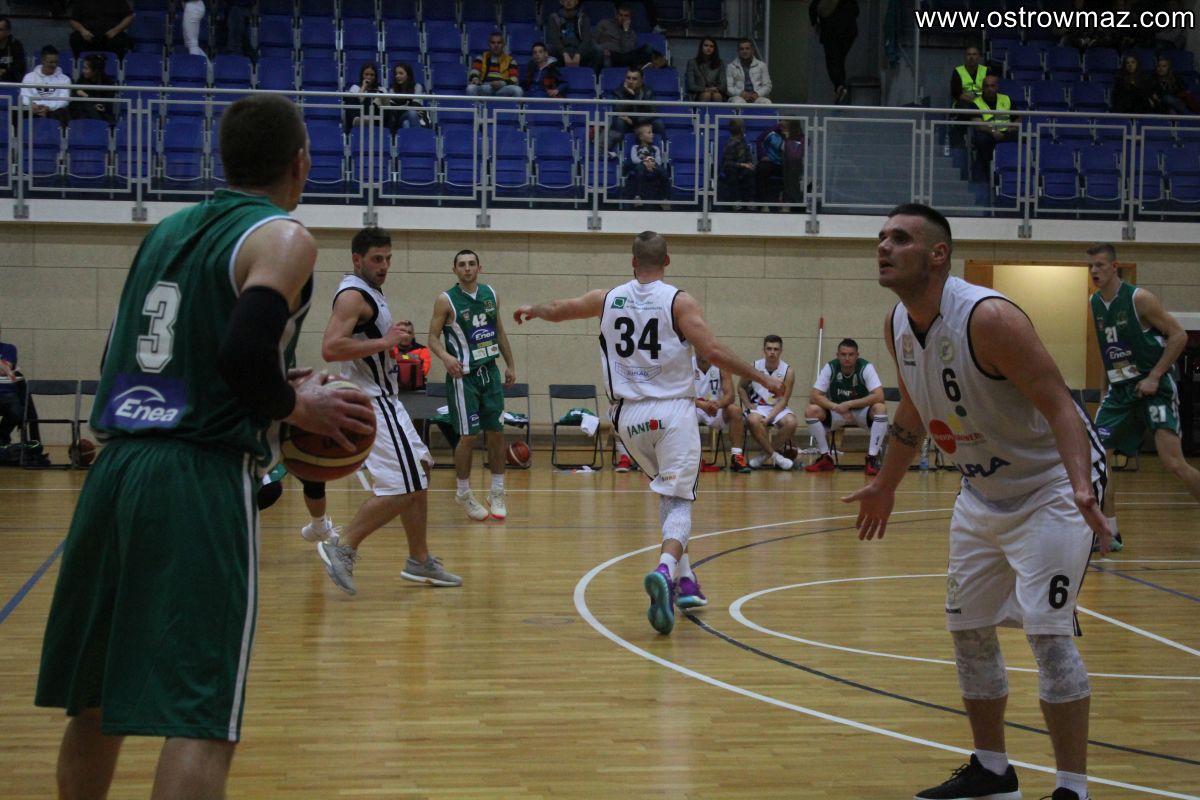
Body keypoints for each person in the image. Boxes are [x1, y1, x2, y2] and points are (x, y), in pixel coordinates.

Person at [35, 94, 376, 799]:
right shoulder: (282, 235)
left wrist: (275, 381)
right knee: (201, 715)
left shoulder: (164, 233)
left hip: (116, 467)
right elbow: (243, 354)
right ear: (300, 163)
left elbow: (147, 355)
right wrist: (297, 405)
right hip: (198, 474)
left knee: (95, 703)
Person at [846, 203, 1110, 800]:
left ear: (938, 254)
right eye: (882, 237)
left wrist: (1081, 486)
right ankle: (993, 772)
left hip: (1049, 487)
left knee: (1048, 636)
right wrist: (885, 483)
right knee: (967, 631)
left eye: (900, 238)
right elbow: (915, 409)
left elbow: (1061, 404)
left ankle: (1073, 789)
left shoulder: (989, 318)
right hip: (981, 492)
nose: (883, 247)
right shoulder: (896, 323)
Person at [512, 231, 784, 634]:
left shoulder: (607, 298)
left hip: (627, 419)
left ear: (633, 261)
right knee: (680, 502)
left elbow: (559, 308)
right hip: (672, 412)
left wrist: (532, 309)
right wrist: (763, 377)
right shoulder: (678, 301)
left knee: (668, 493)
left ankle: (687, 582)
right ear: (667, 261)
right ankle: (666, 568)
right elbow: (712, 352)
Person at [316, 227, 462, 594]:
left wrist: (393, 342)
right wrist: (385, 341)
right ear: (357, 259)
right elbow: (331, 348)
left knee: (421, 469)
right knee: (403, 486)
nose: (384, 266)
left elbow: (367, 344)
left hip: (387, 398)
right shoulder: (352, 295)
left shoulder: (371, 292)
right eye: (377, 259)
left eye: (388, 259)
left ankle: (419, 559)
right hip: (372, 402)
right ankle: (343, 545)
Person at [1087, 243, 1200, 551]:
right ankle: (1110, 532)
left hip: (1154, 389)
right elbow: (1107, 351)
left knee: (1173, 462)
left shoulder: (1139, 299)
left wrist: (1154, 376)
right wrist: (1104, 389)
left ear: (1114, 267)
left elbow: (1179, 336)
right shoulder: (1095, 303)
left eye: (1100, 265)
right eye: (1090, 266)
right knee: (1097, 459)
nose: (1094, 271)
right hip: (1120, 392)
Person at [427, 249, 518, 522]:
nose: (467, 268)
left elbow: (499, 331)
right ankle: (464, 492)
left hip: (489, 372)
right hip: (463, 377)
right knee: (468, 436)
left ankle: (497, 491)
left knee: (496, 433)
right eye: (462, 264)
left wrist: (510, 364)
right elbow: (432, 338)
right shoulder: (446, 300)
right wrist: (446, 358)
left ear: (479, 268)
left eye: (471, 264)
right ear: (454, 270)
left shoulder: (491, 294)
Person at [804, 337, 888, 475]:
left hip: (862, 412)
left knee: (881, 408)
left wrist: (849, 404)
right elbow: (814, 396)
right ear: (837, 355)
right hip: (838, 412)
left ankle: (871, 458)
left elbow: (879, 396)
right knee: (811, 410)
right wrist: (836, 407)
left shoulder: (866, 367)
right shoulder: (831, 367)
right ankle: (825, 457)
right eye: (843, 354)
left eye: (851, 354)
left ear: (857, 355)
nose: (847, 358)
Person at [738, 335, 796, 470]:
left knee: (792, 422)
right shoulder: (753, 366)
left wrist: (769, 417)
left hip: (778, 407)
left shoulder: (788, 371)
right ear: (763, 350)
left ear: (781, 351)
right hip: (758, 407)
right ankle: (776, 457)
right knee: (753, 420)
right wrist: (748, 404)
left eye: (775, 349)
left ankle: (763, 456)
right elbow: (741, 387)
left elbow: (784, 400)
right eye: (769, 349)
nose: (772, 352)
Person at [694, 354, 749, 473]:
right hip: (693, 408)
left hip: (715, 409)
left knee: (735, 410)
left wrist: (718, 404)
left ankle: (736, 456)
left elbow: (730, 395)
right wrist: (701, 405)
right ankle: (688, 458)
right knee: (679, 412)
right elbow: (680, 394)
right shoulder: (687, 364)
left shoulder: (721, 365)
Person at [969, 74, 1018, 182]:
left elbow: (1018, 118)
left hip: (1006, 133)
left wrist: (1013, 127)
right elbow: (978, 123)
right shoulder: (976, 103)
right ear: (983, 87)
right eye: (987, 86)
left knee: (1019, 138)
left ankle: (1012, 172)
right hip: (988, 133)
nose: (989, 89)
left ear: (997, 87)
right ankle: (988, 173)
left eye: (992, 86)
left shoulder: (1006, 99)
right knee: (982, 140)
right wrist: (993, 132)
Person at [606, 66, 665, 156]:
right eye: (628, 78)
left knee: (658, 123)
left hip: (642, 122)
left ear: (641, 80)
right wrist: (629, 95)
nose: (630, 81)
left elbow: (654, 112)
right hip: (627, 124)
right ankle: (621, 151)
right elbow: (618, 112)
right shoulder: (618, 92)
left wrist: (634, 120)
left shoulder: (648, 92)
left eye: (634, 79)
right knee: (619, 121)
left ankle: (663, 152)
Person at [808, 0, 858, 104]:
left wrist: (815, 24)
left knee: (832, 62)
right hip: (849, 31)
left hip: (830, 31)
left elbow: (812, 8)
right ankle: (840, 88)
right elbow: (856, 10)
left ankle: (839, 87)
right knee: (840, 61)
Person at [594, 3, 666, 70]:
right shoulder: (604, 23)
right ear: (616, 15)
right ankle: (644, 65)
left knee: (647, 48)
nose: (623, 18)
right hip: (607, 55)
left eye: (626, 16)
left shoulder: (631, 33)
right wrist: (601, 50)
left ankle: (656, 62)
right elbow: (593, 40)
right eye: (620, 15)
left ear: (630, 17)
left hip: (622, 56)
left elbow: (626, 50)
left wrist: (626, 31)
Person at [754, 118, 805, 212]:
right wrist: (762, 155)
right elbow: (759, 141)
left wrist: (788, 138)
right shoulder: (773, 131)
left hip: (789, 164)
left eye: (785, 121)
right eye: (781, 120)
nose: (781, 123)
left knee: (792, 170)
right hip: (773, 163)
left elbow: (794, 154)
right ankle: (763, 204)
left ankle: (787, 204)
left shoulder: (799, 136)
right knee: (762, 167)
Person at [0, 322, 38, 445]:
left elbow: (4, 370)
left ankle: (2, 437)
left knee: (17, 411)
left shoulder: (9, 348)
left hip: (6, 393)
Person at [17, 46, 71, 128]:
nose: (54, 65)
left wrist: (48, 107)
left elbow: (64, 100)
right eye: (51, 62)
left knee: (62, 114)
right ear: (43, 61)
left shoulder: (65, 79)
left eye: (56, 62)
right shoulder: (29, 77)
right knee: (18, 113)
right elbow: (24, 96)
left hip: (53, 110)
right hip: (33, 109)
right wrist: (33, 105)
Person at [950, 46, 989, 149]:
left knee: (983, 138)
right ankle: (984, 126)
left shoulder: (986, 71)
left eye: (974, 54)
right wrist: (975, 101)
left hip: (982, 106)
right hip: (963, 105)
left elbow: (990, 91)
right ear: (965, 57)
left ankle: (980, 130)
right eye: (969, 54)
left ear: (979, 57)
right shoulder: (958, 71)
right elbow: (956, 93)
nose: (971, 57)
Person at [69, 0, 135, 59]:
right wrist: (83, 31)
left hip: (112, 34)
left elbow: (129, 17)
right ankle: (79, 66)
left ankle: (119, 66)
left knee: (121, 41)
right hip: (87, 35)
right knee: (75, 39)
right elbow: (73, 20)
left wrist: (115, 30)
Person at [625, 121, 669, 205]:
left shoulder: (655, 148)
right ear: (641, 137)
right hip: (640, 165)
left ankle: (664, 198)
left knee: (664, 172)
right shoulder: (635, 147)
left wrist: (651, 163)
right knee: (640, 172)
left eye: (652, 132)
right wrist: (645, 162)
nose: (652, 134)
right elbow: (634, 159)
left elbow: (659, 161)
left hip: (653, 165)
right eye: (649, 132)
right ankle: (638, 197)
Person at [467, 32, 523, 97]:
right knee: (470, 88)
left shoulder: (510, 60)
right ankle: (478, 104)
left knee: (518, 90)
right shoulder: (481, 57)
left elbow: (514, 79)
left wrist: (502, 83)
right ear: (489, 44)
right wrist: (475, 78)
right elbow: (474, 71)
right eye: (493, 43)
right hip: (485, 87)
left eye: (499, 43)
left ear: (503, 44)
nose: (496, 45)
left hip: (503, 88)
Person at [546, 0, 598, 70]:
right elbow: (554, 39)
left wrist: (579, 53)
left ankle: (594, 75)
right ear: (561, 1)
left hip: (579, 50)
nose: (568, 1)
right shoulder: (554, 17)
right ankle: (551, 74)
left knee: (597, 50)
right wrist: (564, 53)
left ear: (576, 1)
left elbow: (586, 39)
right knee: (547, 49)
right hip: (561, 50)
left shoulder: (583, 17)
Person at [70, 53, 118, 125]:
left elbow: (105, 105)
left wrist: (87, 96)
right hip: (81, 116)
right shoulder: (81, 80)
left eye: (86, 68)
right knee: (85, 107)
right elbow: (75, 101)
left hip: (102, 115)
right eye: (84, 68)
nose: (83, 71)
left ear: (95, 71)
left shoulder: (108, 83)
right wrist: (94, 104)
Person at [720, 117, 756, 209]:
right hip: (732, 168)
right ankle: (736, 200)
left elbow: (748, 156)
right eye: (743, 127)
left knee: (751, 172)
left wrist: (750, 163)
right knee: (731, 172)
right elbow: (728, 163)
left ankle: (750, 201)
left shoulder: (744, 142)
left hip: (743, 168)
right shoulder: (730, 144)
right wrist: (742, 165)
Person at [382, 61, 428, 131]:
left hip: (414, 117)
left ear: (408, 75)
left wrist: (402, 107)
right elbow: (393, 110)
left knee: (406, 122)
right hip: (398, 119)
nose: (397, 76)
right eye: (396, 74)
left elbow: (416, 105)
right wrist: (407, 107)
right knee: (412, 113)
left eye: (401, 73)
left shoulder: (417, 87)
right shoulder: (392, 90)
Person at [725, 38, 772, 104]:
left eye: (747, 48)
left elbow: (767, 86)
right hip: (739, 96)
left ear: (752, 50)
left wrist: (757, 94)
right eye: (742, 49)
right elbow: (728, 88)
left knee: (766, 102)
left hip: (757, 96)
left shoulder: (762, 65)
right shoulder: (731, 67)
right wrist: (740, 93)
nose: (745, 51)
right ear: (738, 51)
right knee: (738, 102)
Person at [391, 319, 432, 391]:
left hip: (416, 390)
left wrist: (402, 358)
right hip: (392, 388)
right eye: (403, 332)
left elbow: (423, 372)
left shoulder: (422, 350)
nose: (406, 335)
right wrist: (409, 358)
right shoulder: (390, 348)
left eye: (409, 332)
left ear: (413, 335)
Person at [686, 36, 725, 102]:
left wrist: (716, 88)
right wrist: (705, 89)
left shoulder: (720, 63)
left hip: (715, 91)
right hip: (698, 93)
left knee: (717, 96)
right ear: (701, 47)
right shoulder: (692, 62)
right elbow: (691, 86)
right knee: (707, 95)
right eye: (706, 45)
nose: (708, 48)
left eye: (711, 46)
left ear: (714, 49)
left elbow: (723, 85)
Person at [0, 16, 27, 85]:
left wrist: (5, 71)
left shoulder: (16, 45)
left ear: (8, 31)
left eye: (0, 29)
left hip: (11, 82)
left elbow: (20, 67)